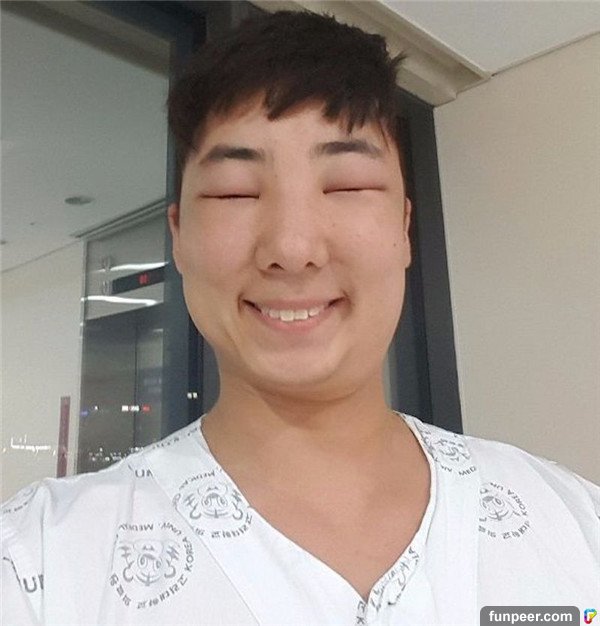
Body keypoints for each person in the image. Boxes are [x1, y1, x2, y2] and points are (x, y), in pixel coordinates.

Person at [2, 10, 598, 626]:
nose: (292, 247)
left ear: (403, 226)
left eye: (346, 186)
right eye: (235, 192)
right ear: (179, 237)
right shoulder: (39, 562)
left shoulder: (575, 525)